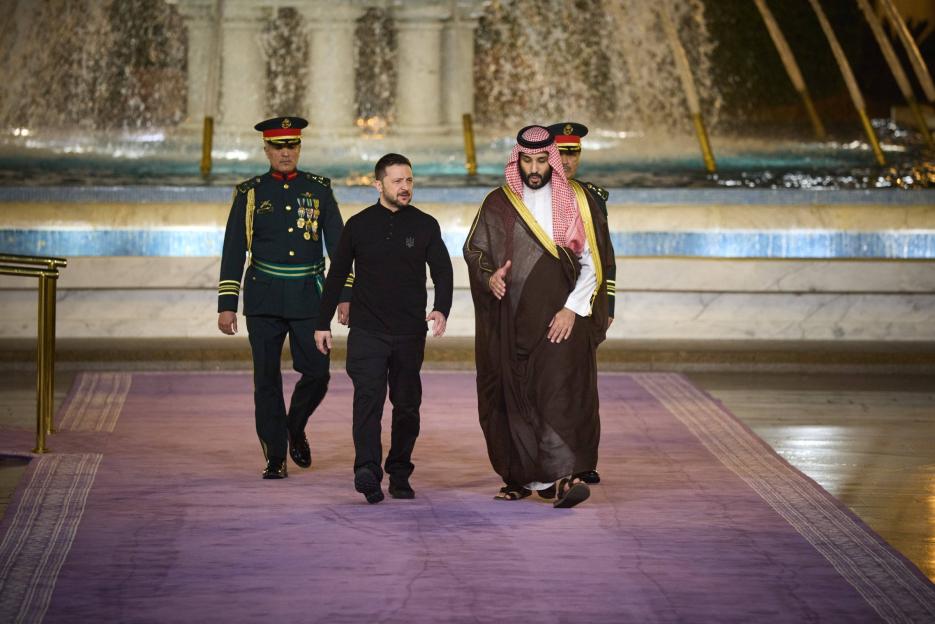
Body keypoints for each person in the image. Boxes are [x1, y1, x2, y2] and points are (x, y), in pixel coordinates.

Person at [463, 125, 615, 508]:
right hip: (511, 320)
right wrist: (489, 277)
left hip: (562, 320)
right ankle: (520, 477)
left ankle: (564, 479)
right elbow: (475, 250)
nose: (534, 168)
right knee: (512, 396)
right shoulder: (499, 202)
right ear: (518, 160)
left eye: (541, 160)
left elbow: (593, 264)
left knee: (559, 397)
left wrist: (572, 309)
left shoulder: (578, 199)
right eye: (527, 161)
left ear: (552, 159)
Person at [315, 153, 453, 504]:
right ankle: (367, 470)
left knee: (407, 406)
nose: (405, 187)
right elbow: (337, 274)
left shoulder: (425, 225)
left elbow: (443, 271)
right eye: (397, 181)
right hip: (367, 330)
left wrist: (441, 309)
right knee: (368, 400)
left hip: (409, 332)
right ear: (378, 185)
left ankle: (400, 471)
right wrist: (321, 322)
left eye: (409, 180)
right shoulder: (359, 225)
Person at [217, 116, 350, 480]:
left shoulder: (319, 189)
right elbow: (233, 249)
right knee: (266, 380)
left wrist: (345, 295)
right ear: (267, 150)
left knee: (318, 373)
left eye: (292, 145)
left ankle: (294, 425)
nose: (285, 152)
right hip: (263, 298)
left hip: (309, 296)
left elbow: (339, 247)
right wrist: (228, 303)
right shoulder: (250, 193)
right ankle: (275, 456)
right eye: (278, 146)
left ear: (299, 148)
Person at [547, 121, 617, 485]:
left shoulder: (592, 197)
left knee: (583, 387)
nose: (568, 160)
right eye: (561, 153)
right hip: (546, 307)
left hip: (585, 306)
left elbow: (606, 256)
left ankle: (584, 460)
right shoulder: (534, 198)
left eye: (573, 153)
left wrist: (609, 307)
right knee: (547, 386)